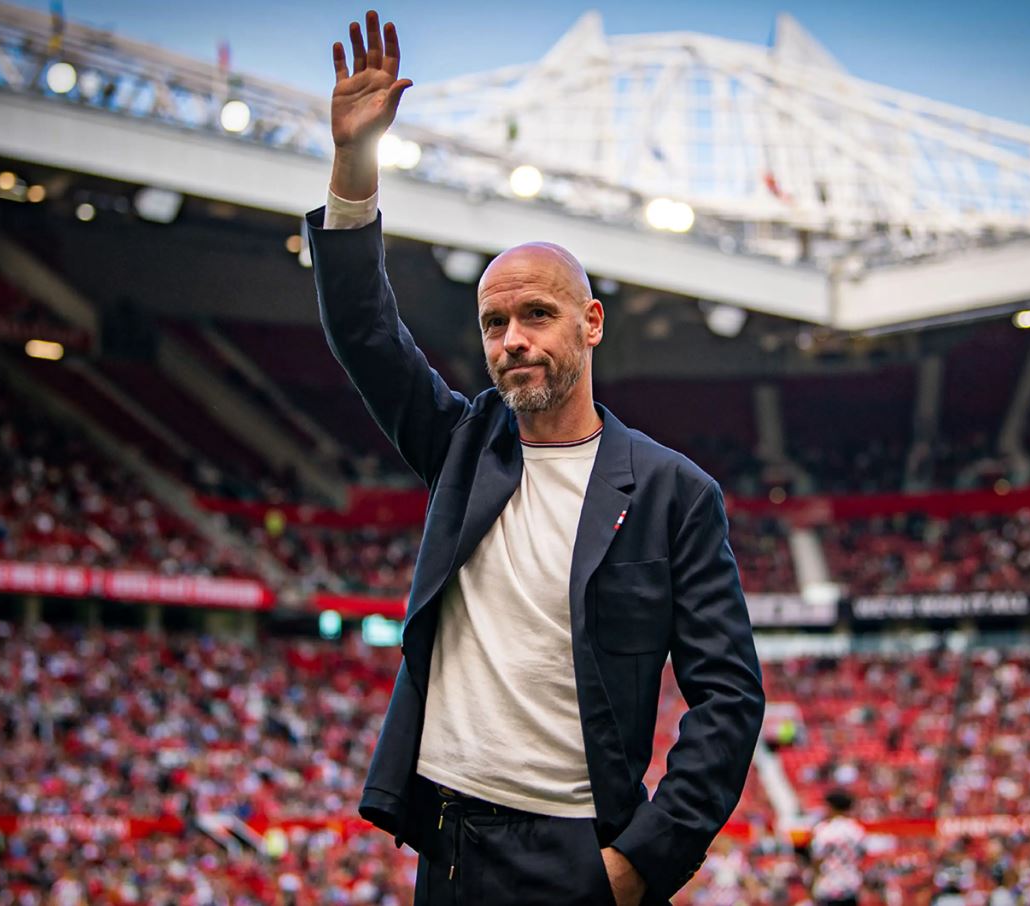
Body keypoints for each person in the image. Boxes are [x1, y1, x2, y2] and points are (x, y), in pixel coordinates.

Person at [303, 11, 766, 905]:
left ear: (591, 324)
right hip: (448, 844)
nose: (512, 339)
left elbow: (729, 698)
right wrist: (354, 165)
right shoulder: (462, 445)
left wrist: (639, 865)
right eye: (493, 323)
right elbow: (363, 330)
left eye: (537, 315)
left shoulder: (673, 493)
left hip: (580, 853)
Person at [808, 790, 866, 906]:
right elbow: (861, 857)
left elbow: (817, 861)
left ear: (831, 807)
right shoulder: (857, 830)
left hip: (829, 887)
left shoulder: (823, 830)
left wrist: (812, 885)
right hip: (851, 886)